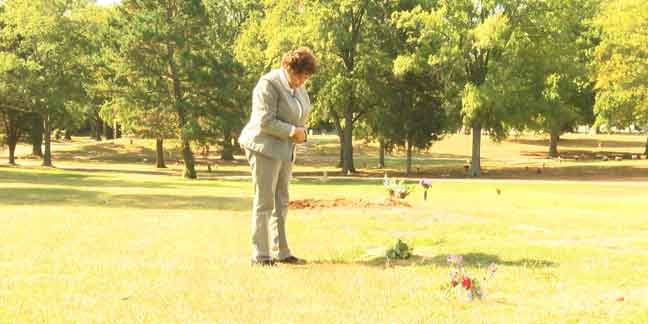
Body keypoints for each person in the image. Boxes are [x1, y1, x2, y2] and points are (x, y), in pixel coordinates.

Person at [238, 47, 316, 266]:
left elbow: (301, 115)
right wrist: (293, 131)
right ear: (286, 67)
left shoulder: (299, 88)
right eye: (298, 75)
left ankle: (281, 251)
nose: (301, 81)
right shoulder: (268, 84)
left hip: (285, 150)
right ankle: (260, 255)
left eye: (306, 76)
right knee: (265, 202)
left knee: (281, 201)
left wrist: (302, 133)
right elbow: (265, 120)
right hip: (263, 148)